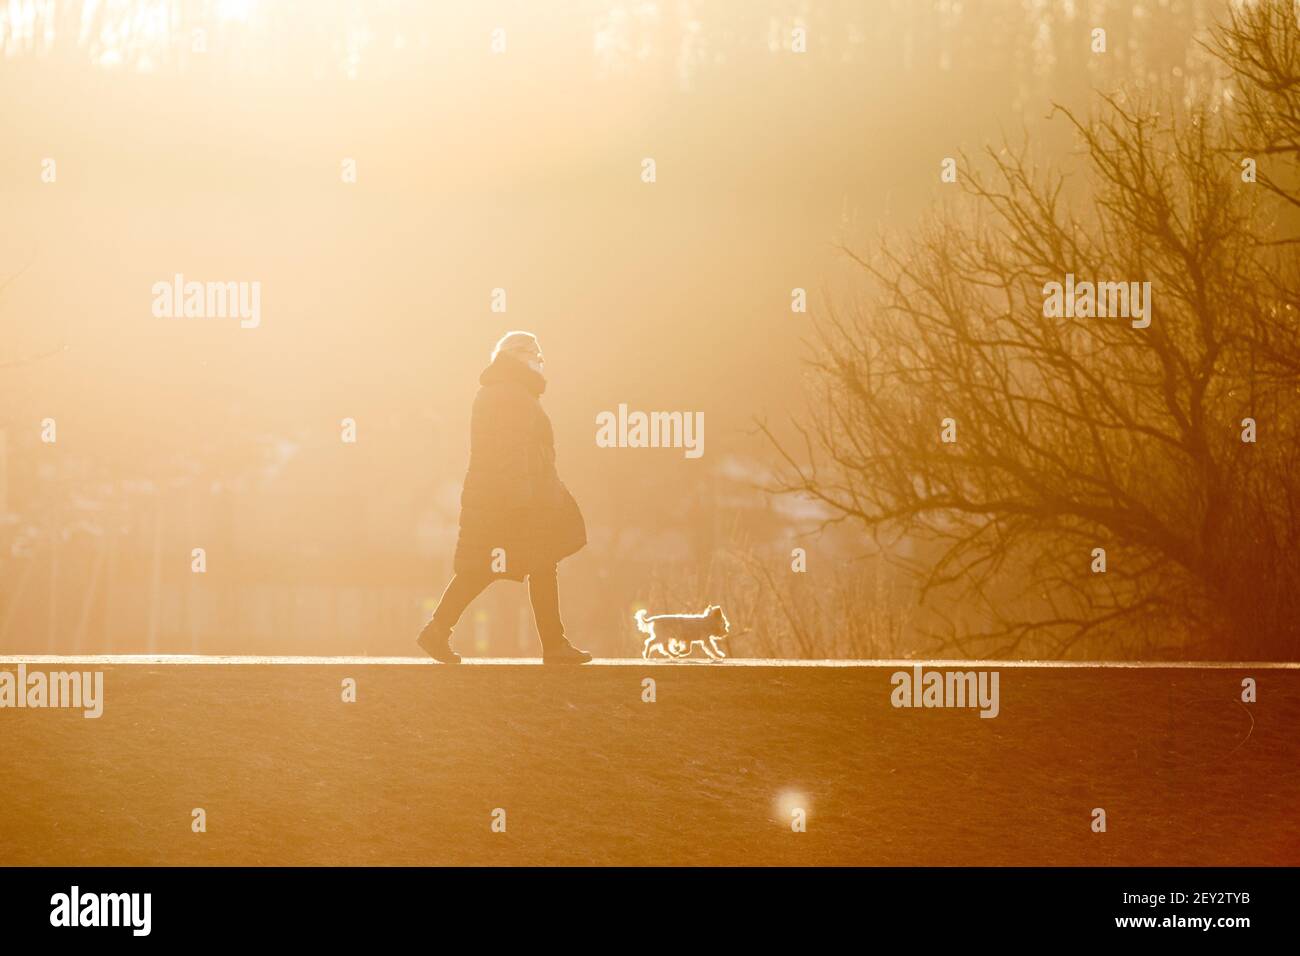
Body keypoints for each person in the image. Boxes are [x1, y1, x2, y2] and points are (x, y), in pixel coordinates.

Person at [417, 331, 592, 664]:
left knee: (525, 564)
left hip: (510, 496)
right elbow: (511, 451)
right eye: (536, 357)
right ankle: (552, 645)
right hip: (514, 499)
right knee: (499, 566)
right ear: (520, 357)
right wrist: (522, 499)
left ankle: (552, 644)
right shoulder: (511, 395)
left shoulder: (506, 392)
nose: (540, 364)